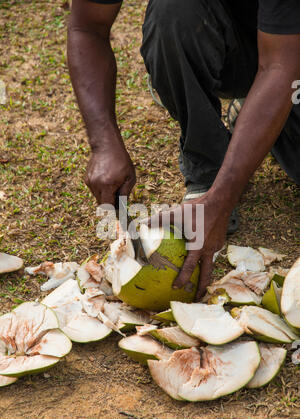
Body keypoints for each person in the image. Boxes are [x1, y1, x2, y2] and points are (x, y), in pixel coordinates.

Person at [67, 0, 300, 300]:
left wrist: (221, 200)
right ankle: (209, 169)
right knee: (173, 11)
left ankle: (264, 118)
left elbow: (280, 66)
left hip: (289, 54)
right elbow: (86, 27)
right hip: (232, 38)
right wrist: (103, 144)